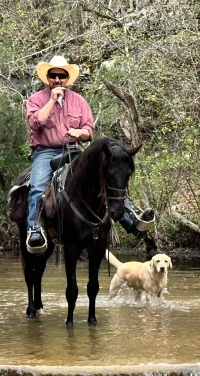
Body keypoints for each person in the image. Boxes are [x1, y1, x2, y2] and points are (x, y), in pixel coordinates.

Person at [23, 54, 154, 254]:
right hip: (46, 151)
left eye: (62, 76)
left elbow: (88, 130)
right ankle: (35, 230)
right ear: (47, 78)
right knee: (38, 185)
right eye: (53, 75)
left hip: (75, 149)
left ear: (67, 78)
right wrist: (51, 100)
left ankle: (132, 217)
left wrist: (79, 133)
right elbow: (35, 123)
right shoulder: (36, 99)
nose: (57, 79)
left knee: (103, 177)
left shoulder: (79, 101)